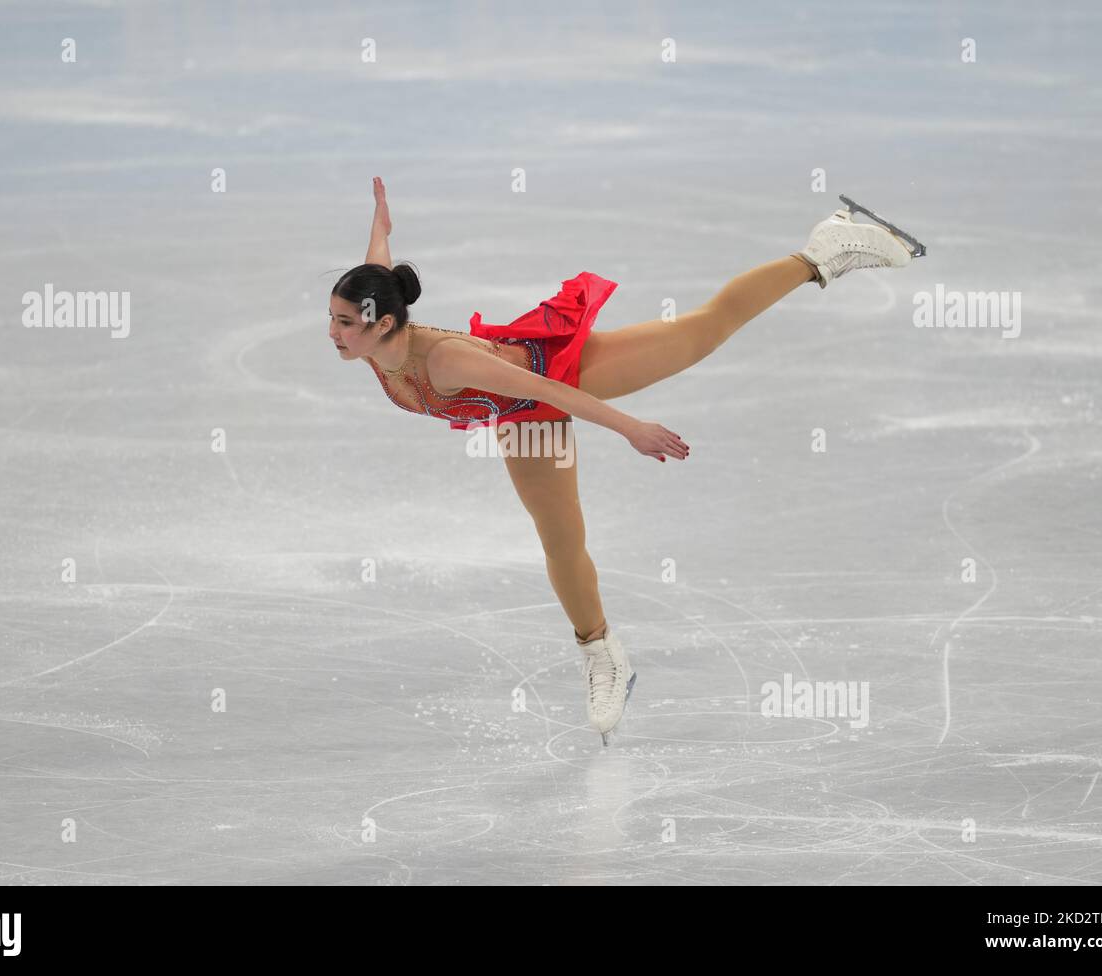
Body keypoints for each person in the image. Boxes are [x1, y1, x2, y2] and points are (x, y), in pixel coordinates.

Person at [329, 176, 920, 744]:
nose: (333, 331)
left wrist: (631, 428)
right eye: (333, 317)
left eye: (345, 322)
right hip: (518, 416)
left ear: (383, 324)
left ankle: (824, 251)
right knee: (560, 539)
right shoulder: (377, 330)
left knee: (700, 332)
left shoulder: (447, 361)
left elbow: (552, 394)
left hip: (552, 374)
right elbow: (378, 265)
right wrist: (381, 226)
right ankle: (603, 656)